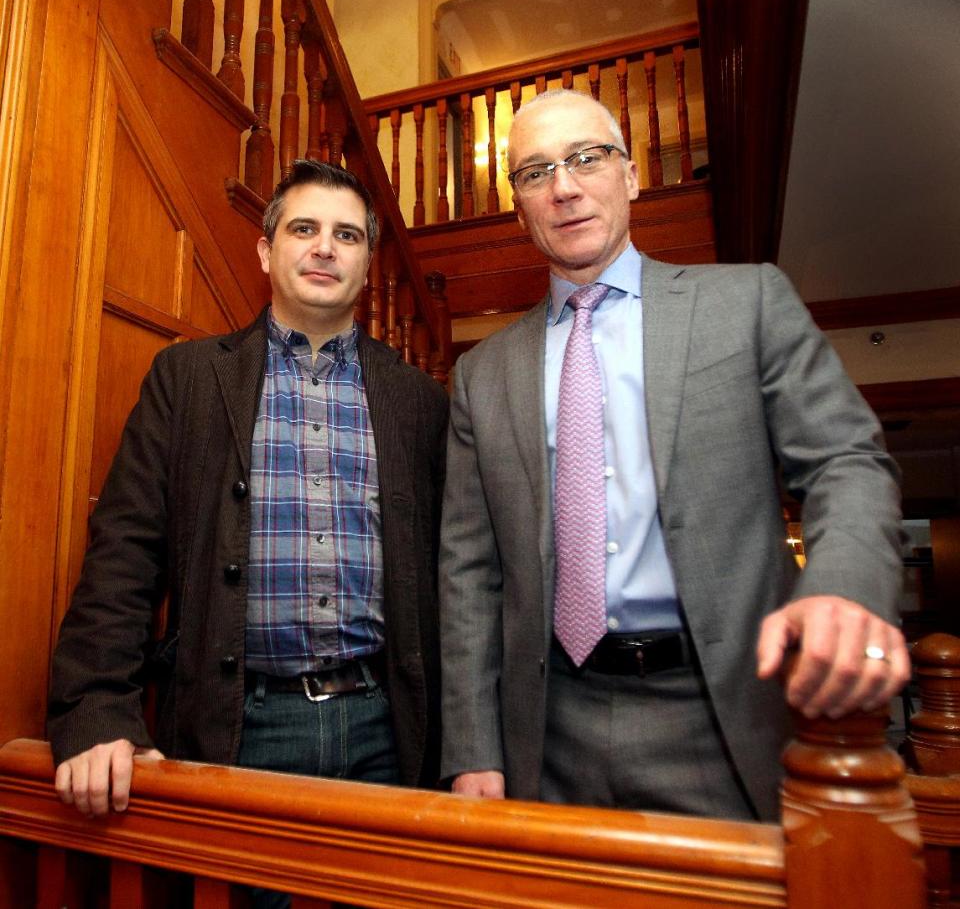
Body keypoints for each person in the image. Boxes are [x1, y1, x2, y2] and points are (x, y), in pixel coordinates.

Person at [438, 90, 909, 821]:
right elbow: (469, 569)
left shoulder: (747, 302)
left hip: (724, 712)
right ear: (519, 207)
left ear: (630, 177)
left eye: (586, 158)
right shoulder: (482, 372)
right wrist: (473, 745)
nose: (563, 186)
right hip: (549, 727)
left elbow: (845, 460)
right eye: (535, 172)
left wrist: (844, 586)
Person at [49, 160, 448, 819]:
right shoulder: (188, 379)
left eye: (347, 235)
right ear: (267, 250)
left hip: (387, 733)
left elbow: (453, 583)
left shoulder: (419, 402)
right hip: (237, 729)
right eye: (304, 228)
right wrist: (96, 708)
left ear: (369, 261)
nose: (325, 246)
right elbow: (125, 552)